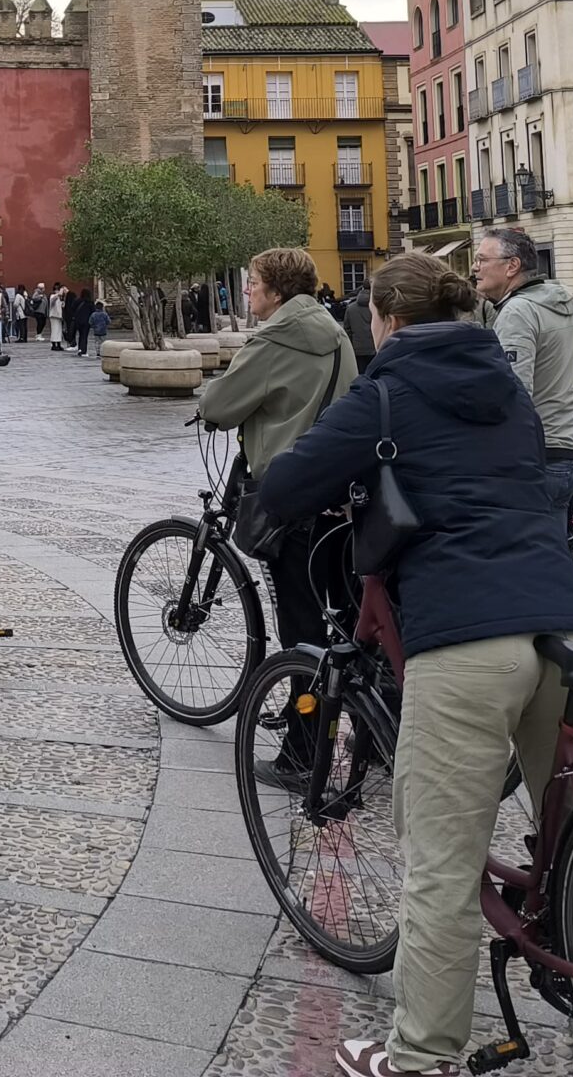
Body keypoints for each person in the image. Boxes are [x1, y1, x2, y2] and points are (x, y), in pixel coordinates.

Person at [255, 252, 573, 1077]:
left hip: (467, 635)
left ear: (387, 320)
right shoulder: (509, 390)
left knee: (442, 864)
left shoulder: (384, 393)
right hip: (566, 627)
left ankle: (419, 1057)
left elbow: (289, 481)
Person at [200, 247, 357, 773]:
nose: (247, 291)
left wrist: (208, 405)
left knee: (300, 627)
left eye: (252, 283)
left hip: (288, 494)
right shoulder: (333, 332)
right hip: (338, 492)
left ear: (276, 291)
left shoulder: (274, 340)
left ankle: (303, 750)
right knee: (341, 616)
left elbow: (220, 406)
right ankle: (368, 733)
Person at [473, 226, 573, 509]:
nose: (475, 268)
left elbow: (511, 392)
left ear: (512, 266)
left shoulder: (518, 311)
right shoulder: (557, 302)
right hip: (564, 449)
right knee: (554, 551)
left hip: (535, 457)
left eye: (483, 259)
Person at [340, 279, 377, 377]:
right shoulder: (378, 307)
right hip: (375, 348)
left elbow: (347, 330)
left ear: (362, 288)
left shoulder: (351, 308)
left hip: (357, 349)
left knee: (360, 376)